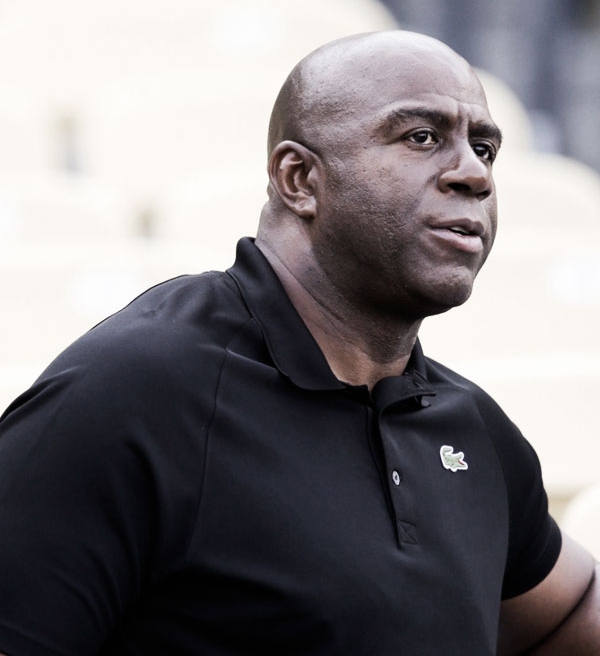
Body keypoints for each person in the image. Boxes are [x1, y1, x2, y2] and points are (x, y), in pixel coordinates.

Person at [0, 29, 597, 656]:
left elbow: (570, 610)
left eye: (485, 148)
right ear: (300, 178)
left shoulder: (471, 427)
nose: (474, 174)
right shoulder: (138, 390)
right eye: (422, 137)